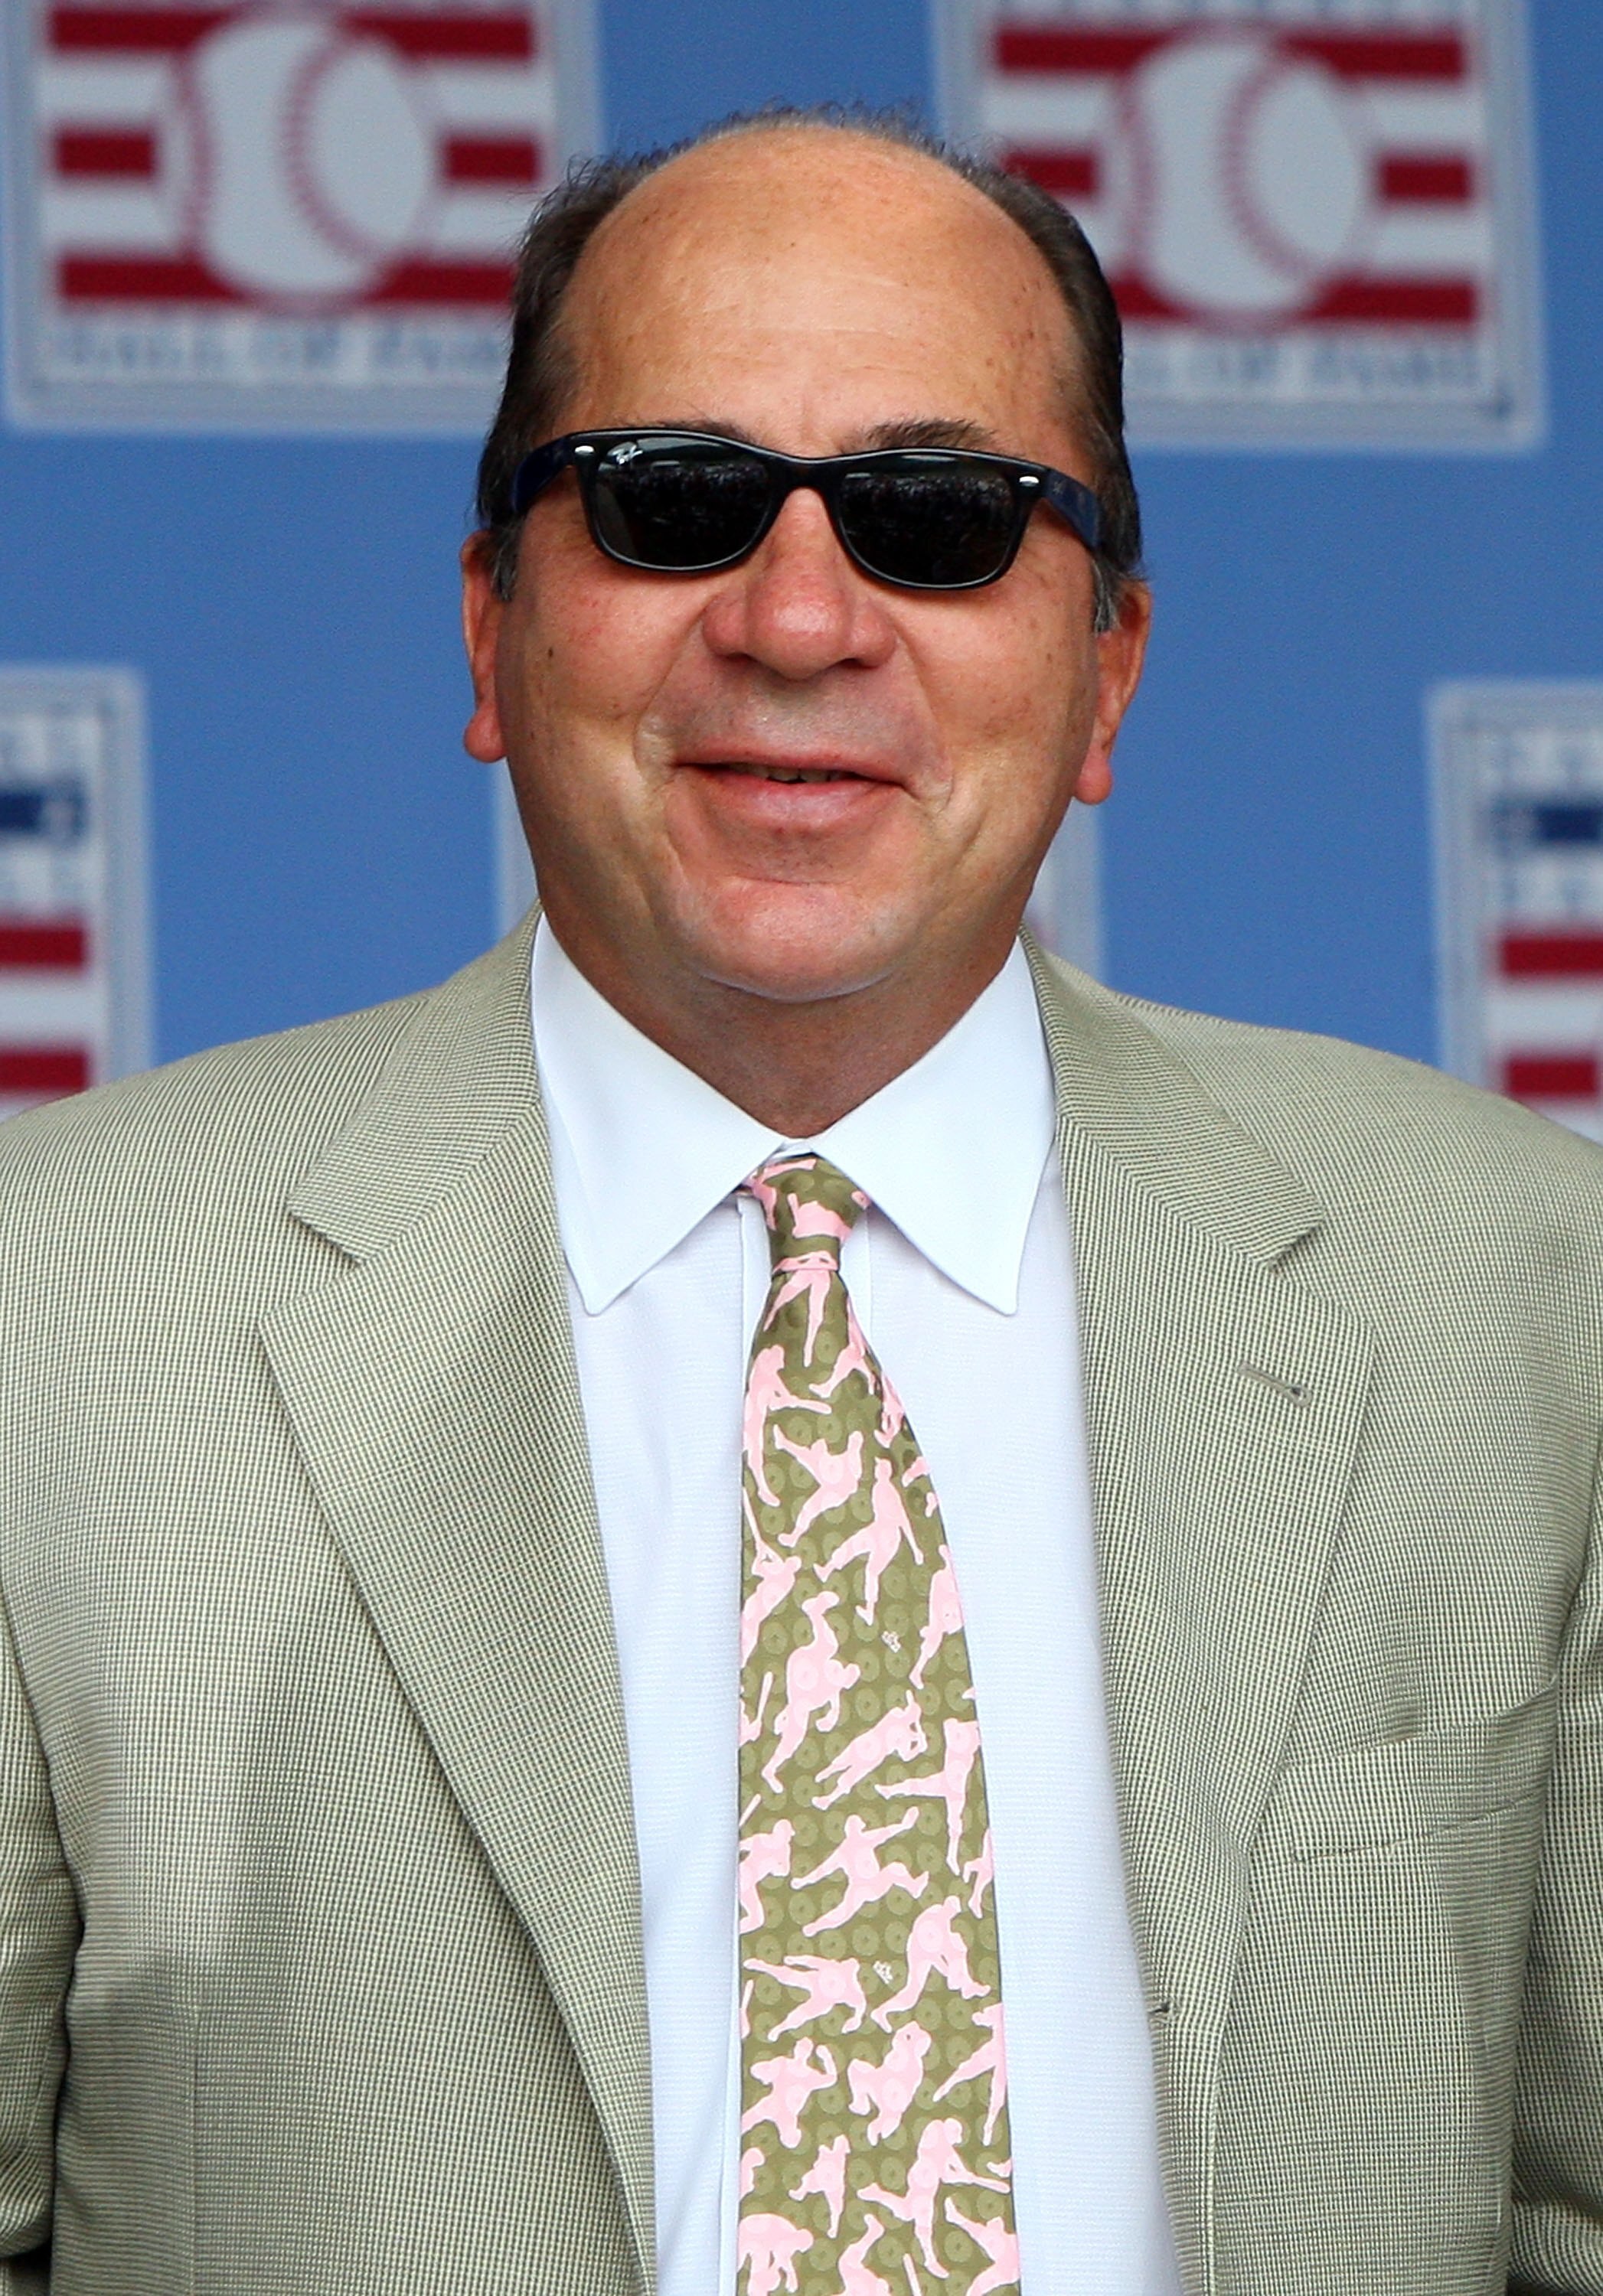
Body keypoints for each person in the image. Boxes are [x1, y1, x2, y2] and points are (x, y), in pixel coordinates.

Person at [0, 109, 1599, 2296]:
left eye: (943, 520)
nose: (801, 617)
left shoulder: (1517, 1290)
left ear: (1111, 667)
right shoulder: (53, 1303)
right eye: (674, 499)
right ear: (488, 628)